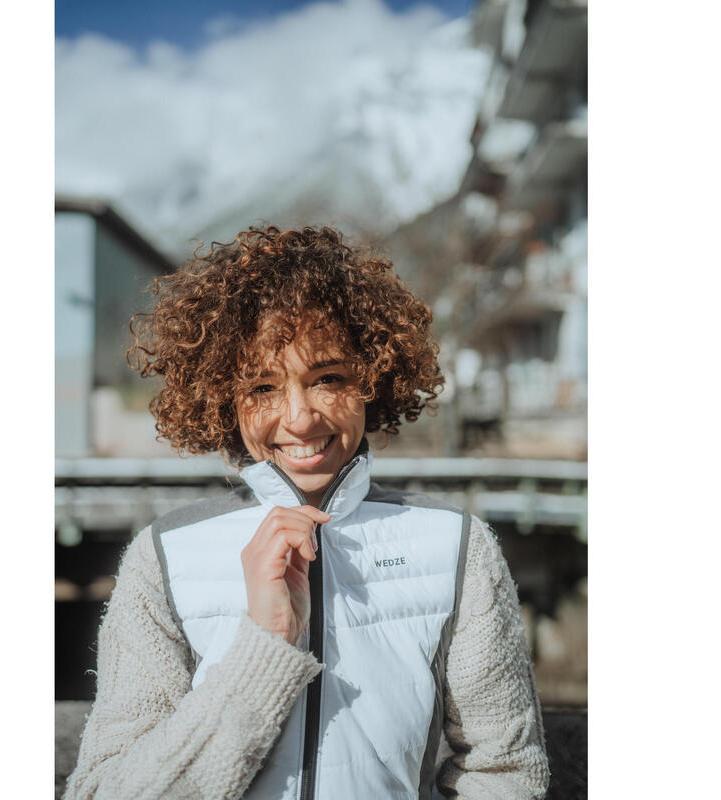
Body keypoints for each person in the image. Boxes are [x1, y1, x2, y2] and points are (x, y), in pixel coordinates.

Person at [64, 225, 549, 800]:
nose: (299, 418)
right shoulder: (163, 558)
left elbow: (505, 774)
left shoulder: (459, 548)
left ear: (372, 379)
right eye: (263, 388)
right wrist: (263, 647)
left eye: (328, 379)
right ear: (225, 398)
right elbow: (104, 791)